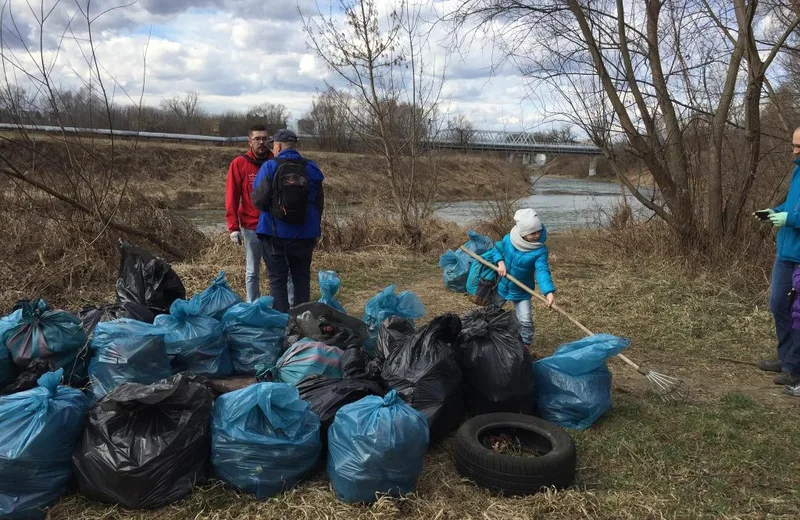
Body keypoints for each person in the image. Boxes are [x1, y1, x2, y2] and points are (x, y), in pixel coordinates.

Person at [251, 129, 325, 313]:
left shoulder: (269, 166)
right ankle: (301, 324)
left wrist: (275, 210)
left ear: (278, 146)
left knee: (277, 280)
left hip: (274, 233)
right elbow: (319, 203)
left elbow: (258, 199)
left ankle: (283, 325)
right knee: (301, 279)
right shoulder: (311, 167)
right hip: (305, 233)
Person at [225, 124, 293, 303]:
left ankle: (281, 306)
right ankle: (252, 306)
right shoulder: (239, 164)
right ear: (250, 141)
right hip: (251, 226)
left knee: (280, 271)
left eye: (264, 138)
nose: (261, 142)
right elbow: (232, 196)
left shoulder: (277, 161)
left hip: (276, 226)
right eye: (257, 139)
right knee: (252, 271)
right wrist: (233, 227)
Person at [755, 127, 800, 387]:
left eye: (799, 146)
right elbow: (792, 205)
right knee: (778, 305)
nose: (794, 151)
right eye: (794, 145)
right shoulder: (798, 170)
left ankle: (795, 367)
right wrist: (774, 211)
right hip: (786, 252)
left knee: (799, 313)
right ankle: (785, 358)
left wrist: (791, 219)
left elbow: (795, 214)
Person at [488, 208, 555, 346]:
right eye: (532, 233)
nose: (537, 235)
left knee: (525, 321)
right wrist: (500, 263)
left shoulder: (540, 250)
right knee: (491, 312)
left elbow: (542, 271)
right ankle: (488, 338)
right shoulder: (509, 239)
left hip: (522, 290)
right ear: (523, 233)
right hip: (503, 285)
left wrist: (548, 292)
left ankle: (524, 348)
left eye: (538, 231)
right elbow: (496, 249)